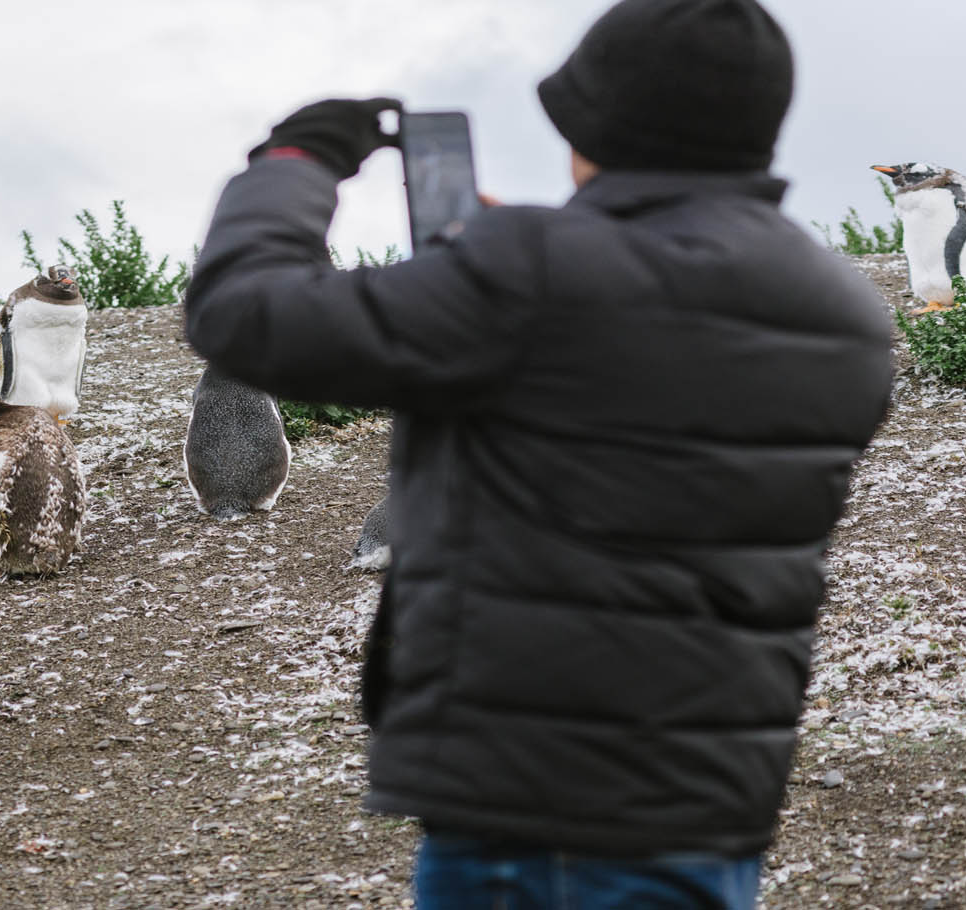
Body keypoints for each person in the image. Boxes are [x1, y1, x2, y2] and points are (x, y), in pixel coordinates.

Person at [181, 0, 895, 907]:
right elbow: (641, 348)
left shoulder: (531, 275)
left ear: (595, 123)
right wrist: (512, 261)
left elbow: (243, 318)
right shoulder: (840, 311)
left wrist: (293, 163)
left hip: (534, 810)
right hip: (713, 800)